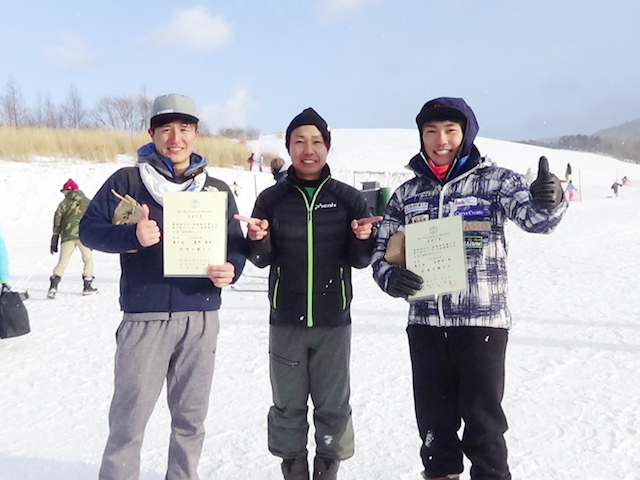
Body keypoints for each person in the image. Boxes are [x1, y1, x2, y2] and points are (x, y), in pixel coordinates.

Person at [371, 97, 567, 480]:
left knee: (485, 431)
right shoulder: (407, 194)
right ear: (421, 137)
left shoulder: (497, 181)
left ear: (465, 134)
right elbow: (381, 250)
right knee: (434, 432)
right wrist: (389, 278)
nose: (440, 140)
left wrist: (552, 198)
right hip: (425, 327)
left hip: (482, 325)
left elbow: (537, 220)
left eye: (449, 131)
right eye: (431, 132)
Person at [79, 93, 247, 480]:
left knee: (191, 421)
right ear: (152, 133)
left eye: (184, 129)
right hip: (145, 317)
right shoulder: (127, 181)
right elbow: (88, 229)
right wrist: (131, 236)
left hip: (201, 317)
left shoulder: (215, 188)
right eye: (167, 129)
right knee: (128, 422)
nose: (176, 138)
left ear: (196, 134)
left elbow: (235, 243)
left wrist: (231, 269)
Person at [236, 107, 381, 480]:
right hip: (285, 320)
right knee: (287, 406)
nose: (308, 149)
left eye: (316, 141)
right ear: (288, 147)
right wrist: (258, 238)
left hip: (334, 321)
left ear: (327, 147)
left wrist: (361, 239)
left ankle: (327, 471)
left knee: (333, 405)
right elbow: (261, 260)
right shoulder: (271, 200)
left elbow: (360, 261)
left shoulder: (348, 199)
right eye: (299, 141)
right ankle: (294, 469)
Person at [48, 179, 97, 299]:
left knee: (63, 261)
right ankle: (87, 286)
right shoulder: (87, 202)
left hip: (67, 236)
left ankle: (53, 287)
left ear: (68, 190)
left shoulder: (64, 204)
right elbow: (95, 217)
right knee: (88, 260)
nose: (63, 194)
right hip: (84, 236)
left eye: (64, 191)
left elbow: (57, 220)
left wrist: (55, 237)